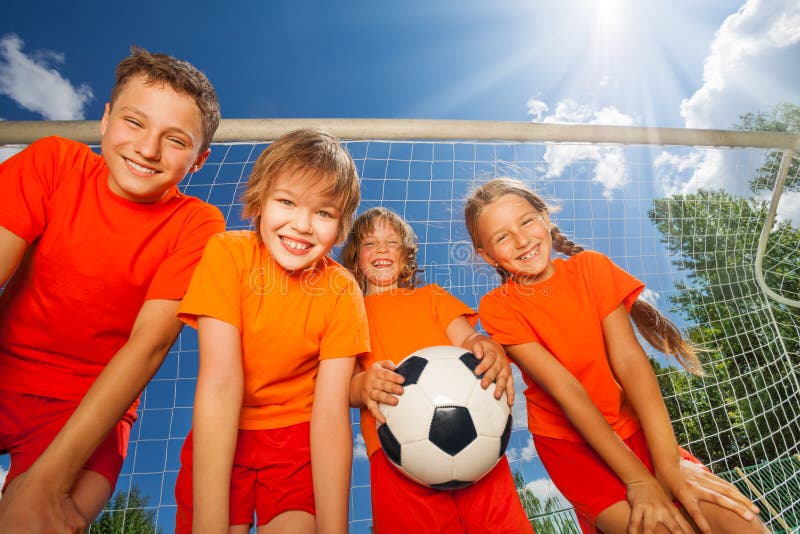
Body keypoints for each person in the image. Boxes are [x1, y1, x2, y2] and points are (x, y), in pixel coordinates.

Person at [0, 47, 223, 532]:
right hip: (5, 367)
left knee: (32, 519)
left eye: (175, 139)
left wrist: (44, 484)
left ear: (200, 160)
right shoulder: (53, 162)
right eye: (134, 122)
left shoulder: (197, 224)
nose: (147, 149)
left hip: (88, 410)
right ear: (104, 119)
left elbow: (150, 345)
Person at [464, 178, 767, 534]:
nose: (521, 240)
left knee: (741, 521)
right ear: (486, 254)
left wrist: (667, 463)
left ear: (546, 218)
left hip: (633, 428)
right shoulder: (498, 308)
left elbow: (630, 362)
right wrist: (638, 480)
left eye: (527, 221)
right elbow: (566, 390)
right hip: (573, 449)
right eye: (502, 237)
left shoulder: (591, 267)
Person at [173, 129, 368, 534]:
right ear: (260, 200)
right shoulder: (227, 254)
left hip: (296, 444)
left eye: (324, 213)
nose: (302, 225)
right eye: (286, 202)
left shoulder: (342, 289)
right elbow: (220, 384)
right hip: (223, 433)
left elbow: (331, 413)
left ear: (341, 224)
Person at [339, 207, 533, 534]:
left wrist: (485, 346)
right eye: (371, 243)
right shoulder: (348, 314)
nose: (383, 249)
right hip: (395, 455)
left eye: (392, 242)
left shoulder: (432, 297)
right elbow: (343, 387)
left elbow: (468, 338)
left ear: (407, 256)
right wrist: (364, 386)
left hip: (479, 447)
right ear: (356, 257)